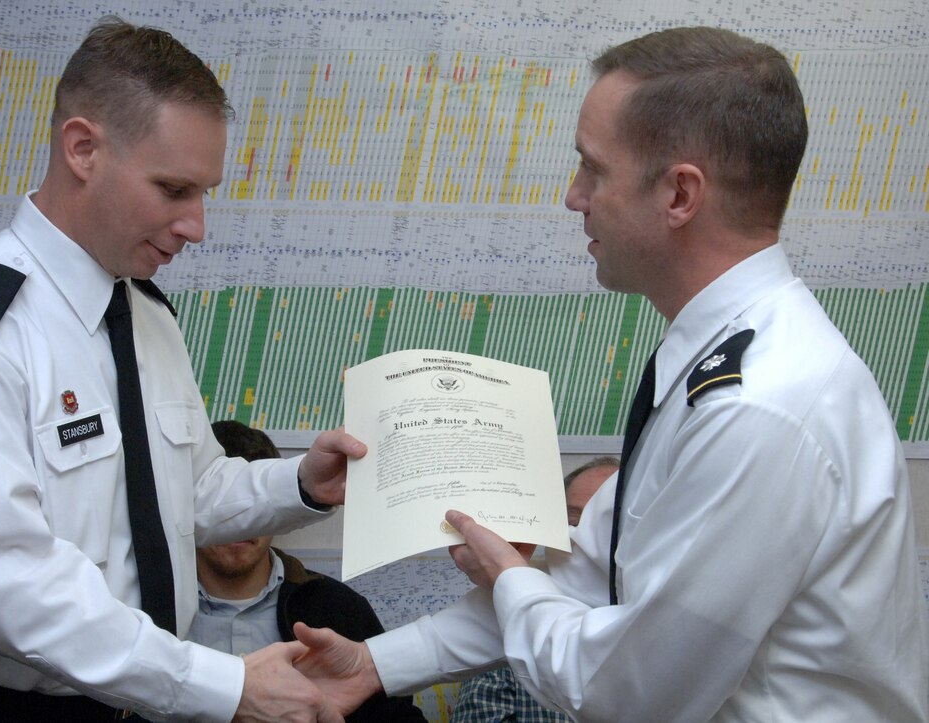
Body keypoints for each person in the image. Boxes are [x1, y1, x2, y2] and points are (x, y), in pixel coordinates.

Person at [290, 26, 929, 722]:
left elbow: (631, 692)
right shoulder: (713, 365)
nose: (574, 196)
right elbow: (584, 582)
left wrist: (509, 577)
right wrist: (375, 662)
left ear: (680, 194)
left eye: (593, 168)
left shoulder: (761, 404)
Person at [0, 16, 365, 723]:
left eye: (203, 193)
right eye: (174, 189)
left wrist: (300, 483)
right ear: (82, 149)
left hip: (137, 701)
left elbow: (186, 492)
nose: (197, 226)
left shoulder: (144, 310)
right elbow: (13, 588)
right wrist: (224, 684)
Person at [191, 420, 427, 722]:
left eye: (251, 508)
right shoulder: (145, 611)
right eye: (224, 508)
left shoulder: (338, 608)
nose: (240, 523)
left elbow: (394, 715)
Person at [450, 457, 618, 723]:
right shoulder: (508, 630)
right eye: (574, 521)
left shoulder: (665, 628)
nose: (586, 541)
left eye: (607, 527)